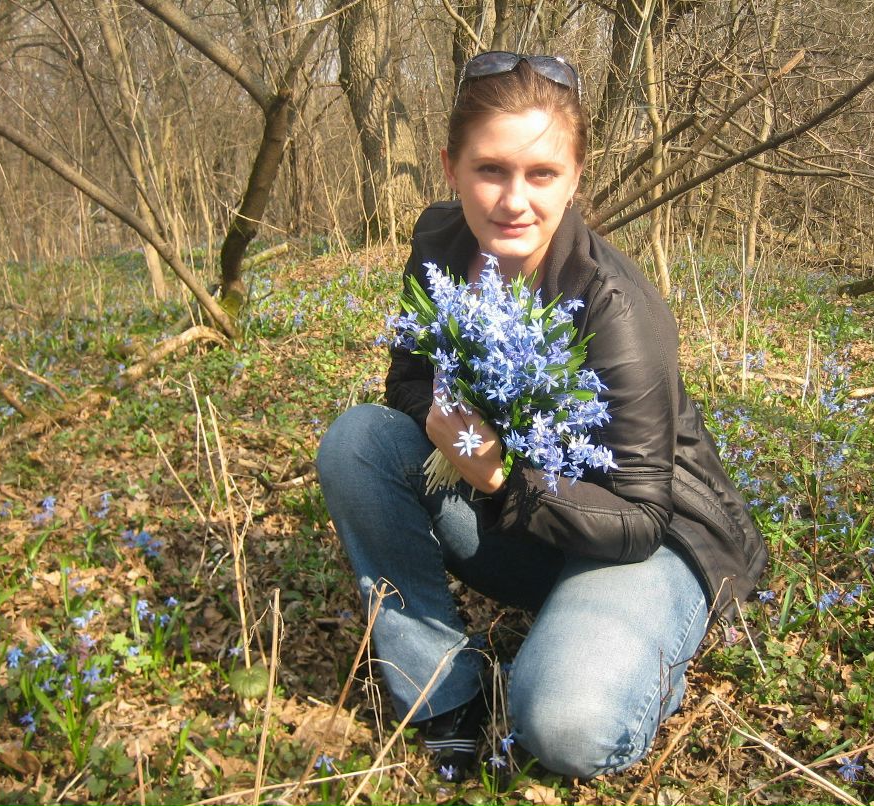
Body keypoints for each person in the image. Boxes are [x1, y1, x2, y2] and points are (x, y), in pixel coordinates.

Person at [317, 51, 767, 781]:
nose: (513, 200)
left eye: (542, 174)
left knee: (565, 724)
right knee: (358, 443)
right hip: (534, 523)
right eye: (491, 169)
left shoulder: (616, 307)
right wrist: (455, 430)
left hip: (649, 543)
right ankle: (444, 694)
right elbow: (408, 379)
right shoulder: (442, 246)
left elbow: (642, 518)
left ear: (576, 177)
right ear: (450, 167)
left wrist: (498, 475)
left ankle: (634, 658)